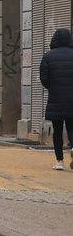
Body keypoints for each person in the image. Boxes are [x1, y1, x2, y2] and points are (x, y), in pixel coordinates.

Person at [39, 28, 73, 170]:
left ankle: (59, 161)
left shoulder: (48, 56)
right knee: (72, 126)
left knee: (57, 129)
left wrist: (53, 87)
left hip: (56, 99)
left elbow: (44, 78)